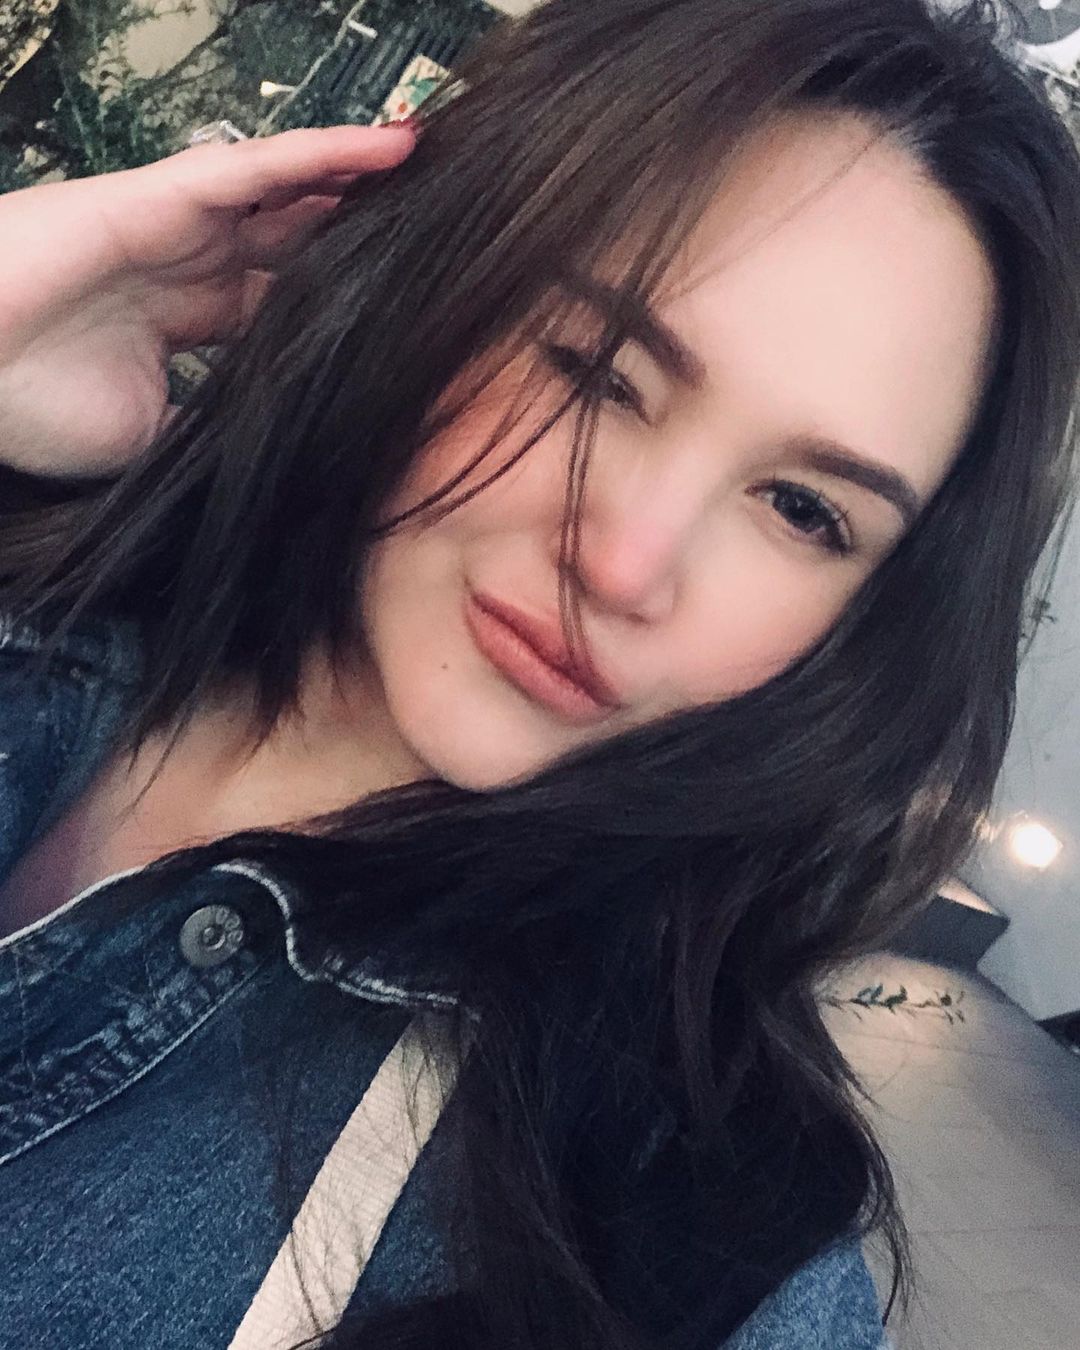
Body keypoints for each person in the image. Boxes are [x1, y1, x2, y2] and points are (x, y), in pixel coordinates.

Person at [0, 0, 1077, 1346]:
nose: (626, 565)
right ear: (434, 277)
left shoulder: (692, 1262)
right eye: (598, 371)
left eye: (804, 509)